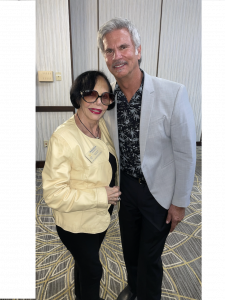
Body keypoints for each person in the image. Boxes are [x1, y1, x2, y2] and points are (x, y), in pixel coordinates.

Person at [97, 17, 196, 300]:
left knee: (149, 254)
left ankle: (147, 294)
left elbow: (186, 153)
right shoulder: (107, 100)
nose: (117, 56)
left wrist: (179, 203)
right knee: (129, 247)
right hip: (126, 188)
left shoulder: (172, 93)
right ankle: (135, 287)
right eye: (109, 50)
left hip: (159, 191)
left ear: (138, 50)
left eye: (123, 47)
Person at [42, 70, 121, 300]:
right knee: (93, 271)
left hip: (99, 217)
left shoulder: (101, 125)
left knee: (85, 264)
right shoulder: (63, 138)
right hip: (76, 224)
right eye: (91, 94)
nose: (99, 102)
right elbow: (54, 194)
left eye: (105, 97)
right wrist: (100, 196)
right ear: (78, 97)